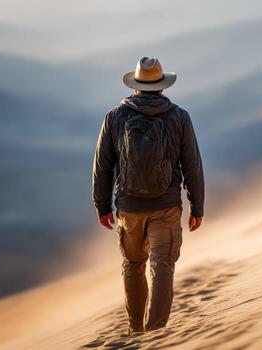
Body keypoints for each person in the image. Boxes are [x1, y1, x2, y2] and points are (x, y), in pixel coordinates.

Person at [92, 56, 204, 335]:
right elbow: (192, 165)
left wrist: (102, 206)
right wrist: (197, 206)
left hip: (129, 207)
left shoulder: (115, 117)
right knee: (162, 266)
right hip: (166, 207)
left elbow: (102, 166)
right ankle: (156, 333)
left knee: (132, 264)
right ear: (162, 87)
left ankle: (136, 330)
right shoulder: (179, 116)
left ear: (136, 86)